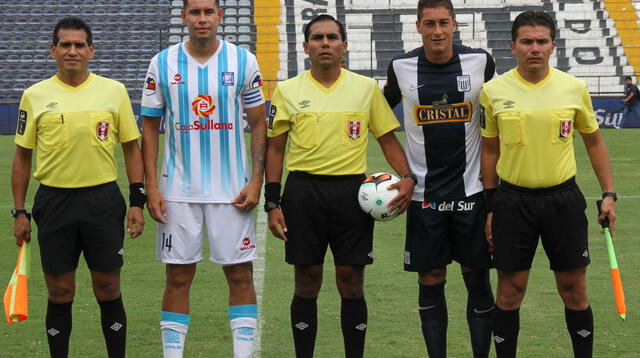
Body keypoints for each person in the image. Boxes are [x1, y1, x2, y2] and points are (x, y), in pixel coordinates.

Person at [264, 14, 415, 358]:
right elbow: (275, 148)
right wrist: (273, 202)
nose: (325, 43)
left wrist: (407, 177)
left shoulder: (365, 89)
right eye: (317, 38)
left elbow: (388, 139)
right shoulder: (288, 90)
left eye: (332, 37)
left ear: (345, 45)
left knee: (350, 280)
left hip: (352, 195)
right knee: (307, 280)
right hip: (303, 193)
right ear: (306, 47)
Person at [479, 10, 617, 358]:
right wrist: (490, 205)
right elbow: (490, 150)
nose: (535, 48)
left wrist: (609, 194)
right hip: (512, 202)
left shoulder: (573, 88)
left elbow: (594, 142)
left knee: (574, 289)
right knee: (510, 291)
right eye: (527, 41)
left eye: (542, 41)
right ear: (513, 46)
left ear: (554, 45)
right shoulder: (493, 91)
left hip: (563, 200)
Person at [11, 17, 145, 358]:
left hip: (102, 200)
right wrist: (20, 211)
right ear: (53, 51)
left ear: (91, 51)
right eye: (66, 45)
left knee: (108, 287)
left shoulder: (113, 91)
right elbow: (22, 157)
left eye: (80, 45)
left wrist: (137, 201)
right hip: (54, 202)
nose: (73, 51)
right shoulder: (34, 95)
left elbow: (132, 147)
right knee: (59, 291)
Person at [140, 0, 266, 357]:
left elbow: (259, 123)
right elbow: (149, 127)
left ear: (220, 16)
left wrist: (257, 180)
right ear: (184, 17)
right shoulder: (161, 63)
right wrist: (152, 187)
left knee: (240, 275)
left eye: (208, 12)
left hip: (233, 190)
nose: (202, 19)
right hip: (178, 190)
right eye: (194, 12)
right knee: (177, 278)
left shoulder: (243, 61)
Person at [383, 1, 496, 357]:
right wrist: (402, 173)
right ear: (417, 26)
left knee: (476, 276)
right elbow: (379, 118)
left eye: (443, 23)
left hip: (472, 193)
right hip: (424, 197)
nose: (437, 31)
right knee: (430, 278)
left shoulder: (480, 62)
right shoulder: (400, 67)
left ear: (454, 24)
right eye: (429, 23)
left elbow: (500, 110)